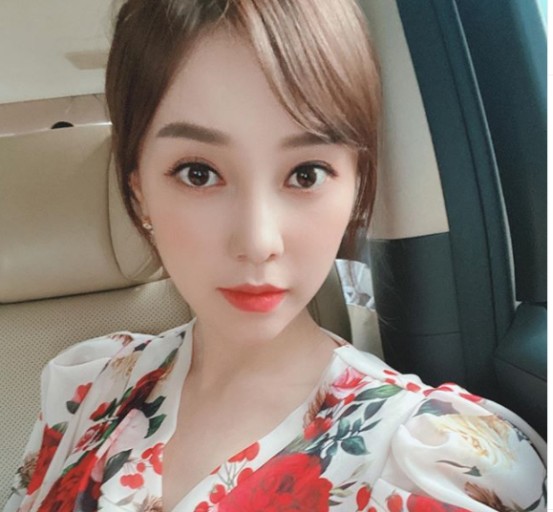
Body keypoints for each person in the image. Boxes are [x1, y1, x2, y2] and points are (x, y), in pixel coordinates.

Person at [4, 0, 546, 511]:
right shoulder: (88, 389)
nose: (259, 241)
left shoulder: (436, 462)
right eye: (199, 173)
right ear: (139, 190)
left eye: (306, 174)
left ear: (357, 186)